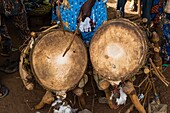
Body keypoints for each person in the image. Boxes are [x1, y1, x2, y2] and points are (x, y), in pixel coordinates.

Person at [0, 0, 30, 73]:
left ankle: (28, 55)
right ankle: (7, 50)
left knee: (23, 31)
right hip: (6, 6)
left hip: (14, 6)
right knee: (3, 29)